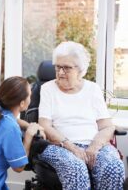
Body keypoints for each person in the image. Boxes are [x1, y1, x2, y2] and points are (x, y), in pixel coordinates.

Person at [38, 41, 125, 189]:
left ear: (80, 69)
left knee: (113, 166)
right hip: (60, 146)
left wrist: (94, 147)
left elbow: (107, 127)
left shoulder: (93, 89)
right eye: (58, 67)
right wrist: (72, 147)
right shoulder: (48, 89)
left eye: (66, 68)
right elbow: (44, 125)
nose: (60, 72)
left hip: (93, 145)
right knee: (76, 168)